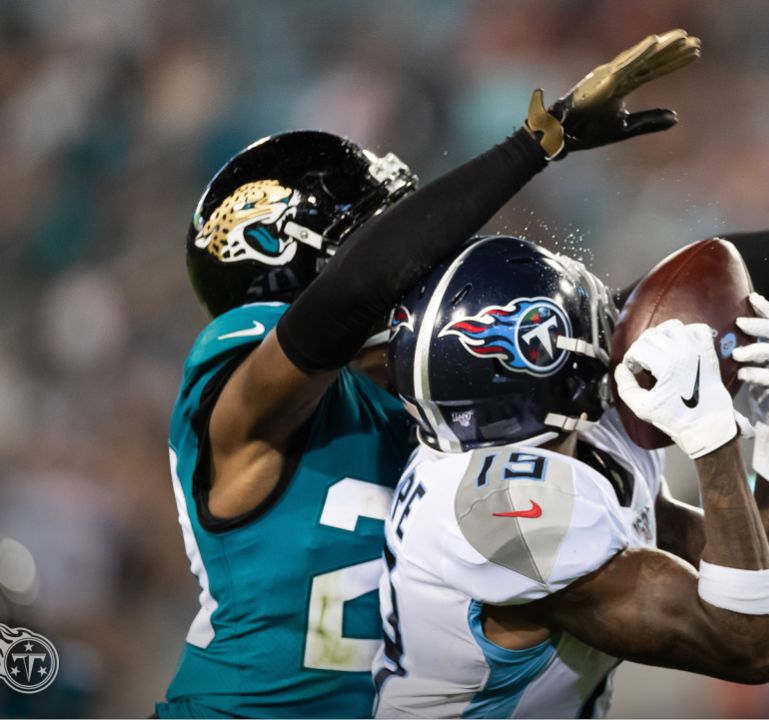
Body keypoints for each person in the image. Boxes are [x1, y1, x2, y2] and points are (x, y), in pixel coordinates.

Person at [156, 31, 702, 718]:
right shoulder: (244, 391)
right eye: (382, 229)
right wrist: (536, 143)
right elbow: (349, 298)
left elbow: (659, 298)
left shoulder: (443, 376)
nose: (426, 249)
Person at [377, 235, 769, 717]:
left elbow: (762, 600)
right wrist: (714, 442)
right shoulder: (503, 511)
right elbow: (751, 649)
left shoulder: (581, 441)